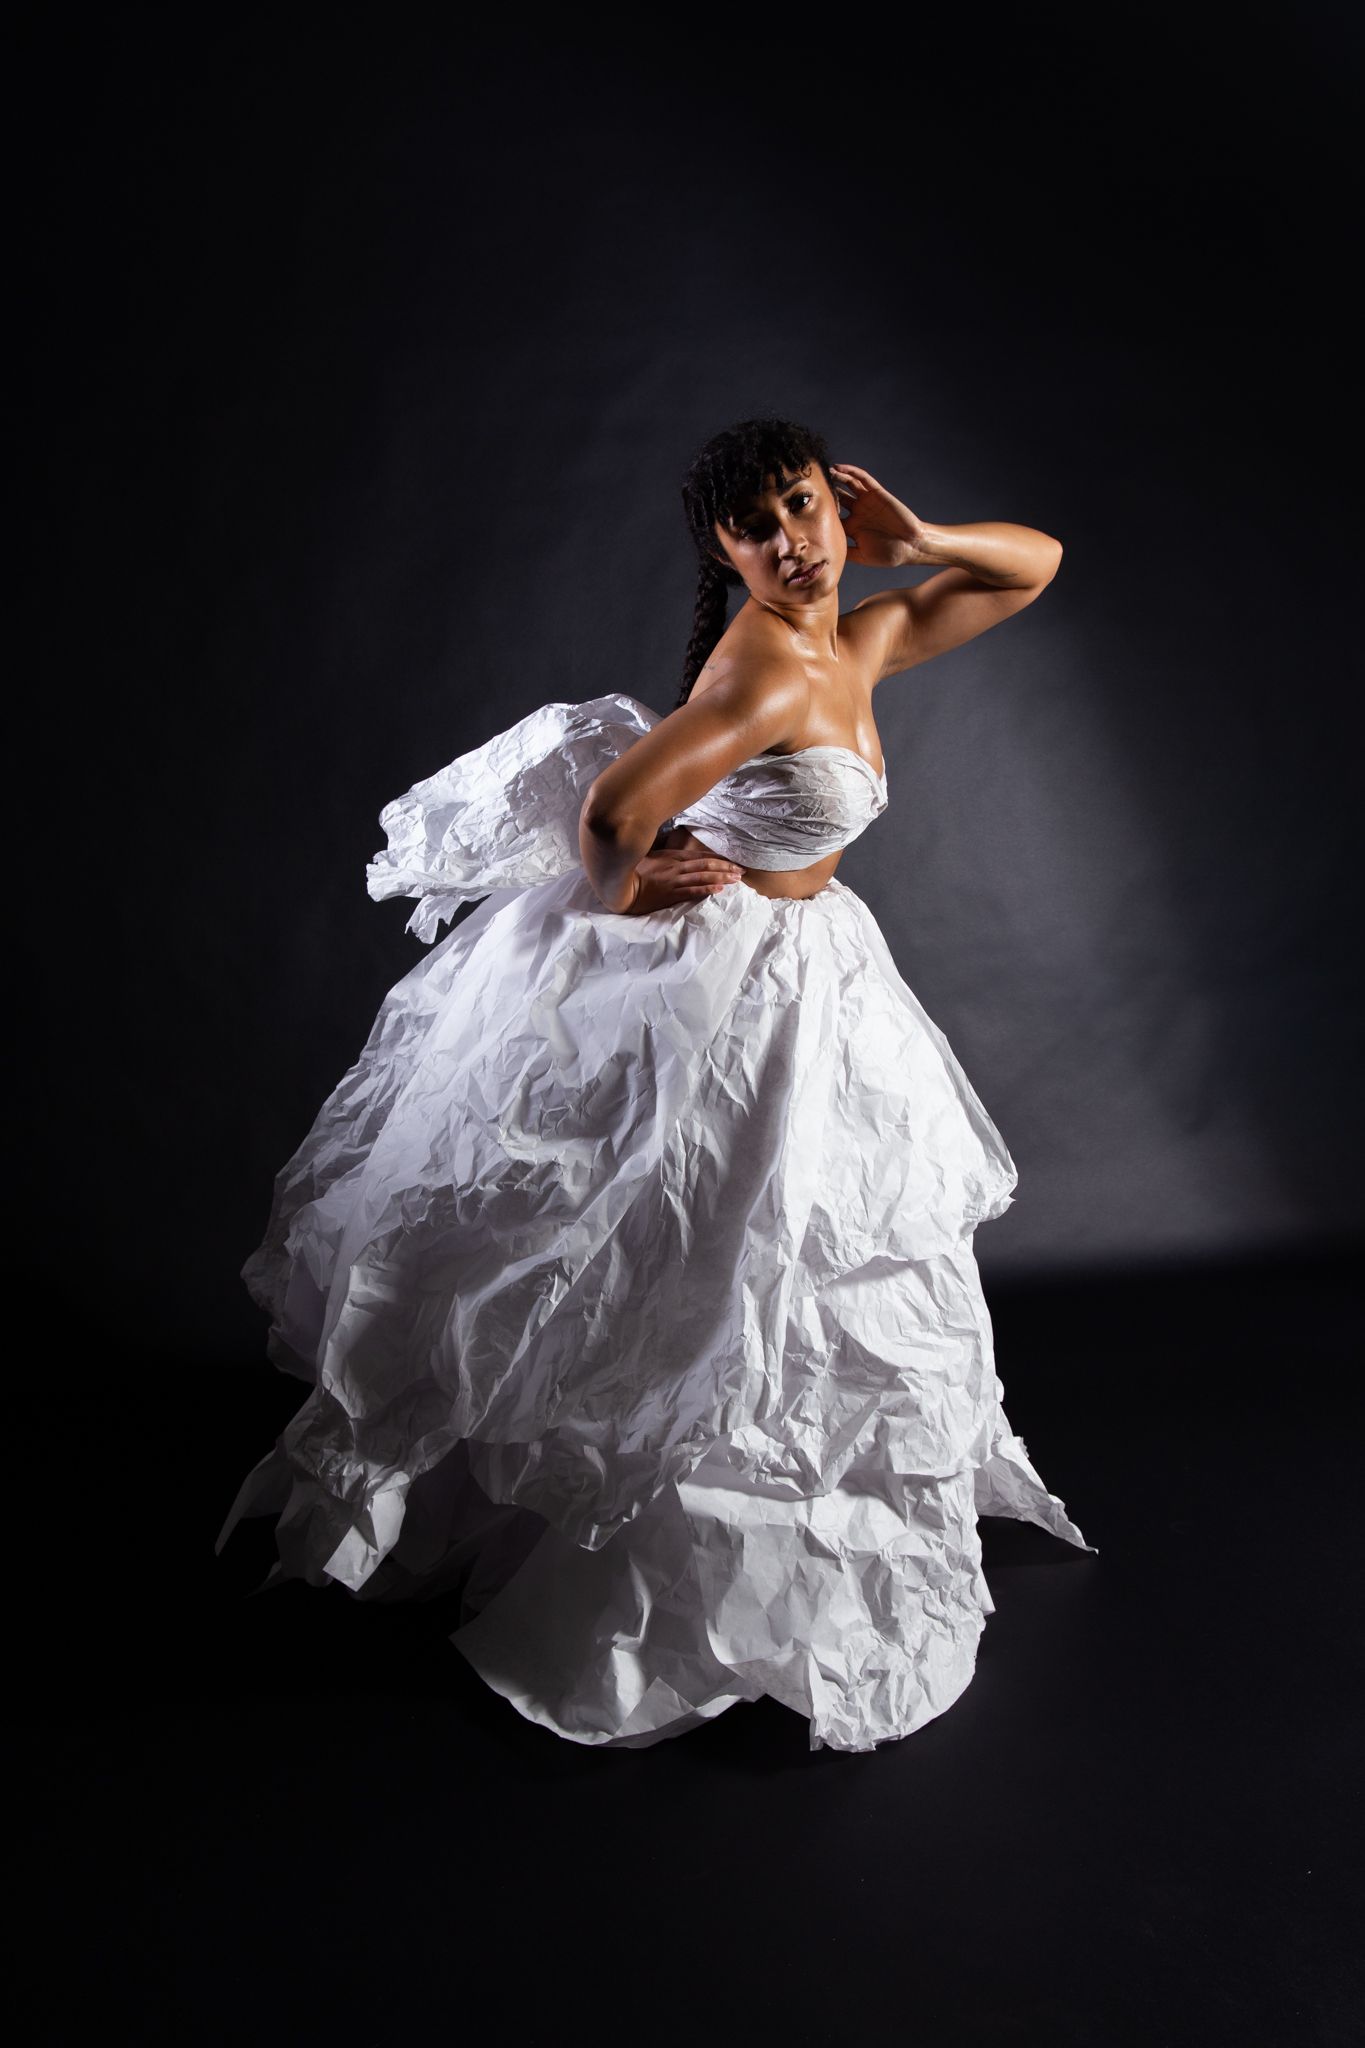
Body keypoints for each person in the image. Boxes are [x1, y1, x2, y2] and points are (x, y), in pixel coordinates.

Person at [215, 414, 1096, 1754]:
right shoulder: (762, 673)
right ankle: (663, 1559)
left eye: (801, 508)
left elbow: (1028, 565)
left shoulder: (847, 639)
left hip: (809, 966)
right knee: (719, 1263)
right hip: (735, 974)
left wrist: (915, 540)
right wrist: (634, 883)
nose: (792, 544)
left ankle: (750, 1527)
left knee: (780, 1257)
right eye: (758, 528)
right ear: (724, 552)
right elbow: (620, 817)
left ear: (833, 503)